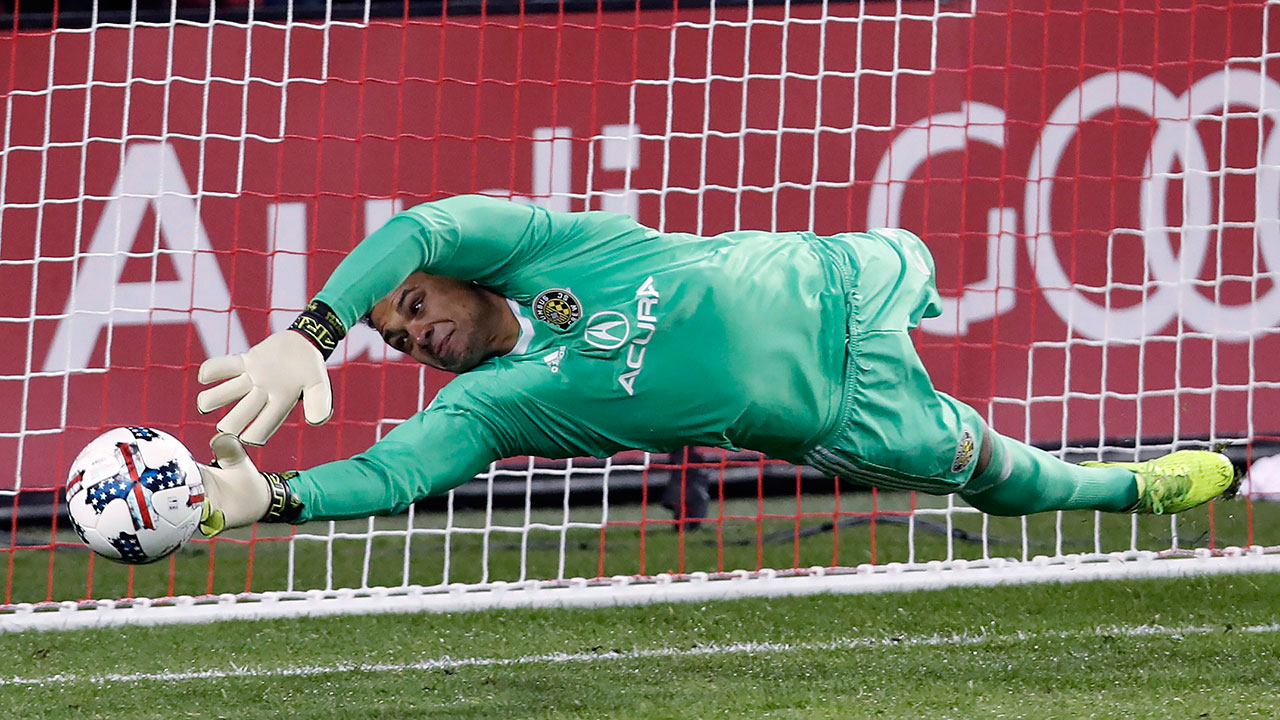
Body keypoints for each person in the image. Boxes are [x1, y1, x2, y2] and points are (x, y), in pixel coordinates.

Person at [193, 195, 1236, 536]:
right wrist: (273, 498)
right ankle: (1125, 488)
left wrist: (312, 332)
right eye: (398, 335)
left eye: (415, 305)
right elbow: (395, 473)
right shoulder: (499, 408)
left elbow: (421, 223)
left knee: (917, 251)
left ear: (464, 280)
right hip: (840, 410)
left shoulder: (547, 248)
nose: (414, 331)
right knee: (994, 475)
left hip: (839, 279)